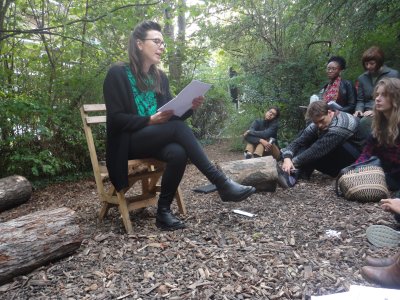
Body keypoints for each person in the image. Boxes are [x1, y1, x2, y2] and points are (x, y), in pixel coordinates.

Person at [103, 21, 255, 231]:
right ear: (139, 44)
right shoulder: (118, 74)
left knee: (178, 151)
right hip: (127, 142)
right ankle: (220, 182)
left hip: (153, 138)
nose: (161, 47)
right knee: (178, 131)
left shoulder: (159, 77)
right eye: (156, 41)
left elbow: (171, 116)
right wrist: (149, 120)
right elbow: (116, 120)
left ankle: (163, 212)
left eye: (163, 43)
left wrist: (190, 107)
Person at [278, 100, 364, 187]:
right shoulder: (318, 123)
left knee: (317, 144)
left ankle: (292, 174)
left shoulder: (342, 124)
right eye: (316, 122)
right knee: (305, 136)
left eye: (322, 121)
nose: (319, 125)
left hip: (355, 162)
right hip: (334, 156)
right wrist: (287, 158)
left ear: (330, 113)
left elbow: (317, 150)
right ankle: (297, 173)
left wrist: (292, 162)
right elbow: (298, 141)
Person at [354, 77, 400, 192]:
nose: (378, 99)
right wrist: (354, 170)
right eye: (377, 95)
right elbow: (366, 154)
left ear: (396, 98)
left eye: (384, 95)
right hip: (385, 174)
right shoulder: (379, 125)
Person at [354, 46, 400, 138]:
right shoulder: (362, 78)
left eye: (372, 63)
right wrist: (358, 110)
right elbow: (360, 100)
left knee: (365, 123)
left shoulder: (393, 74)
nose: (368, 67)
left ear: (379, 62)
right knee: (353, 121)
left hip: (385, 110)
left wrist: (375, 111)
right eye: (366, 64)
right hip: (365, 112)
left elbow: (396, 98)